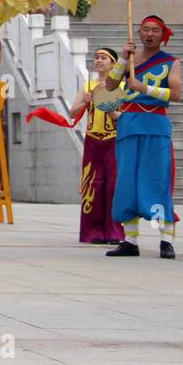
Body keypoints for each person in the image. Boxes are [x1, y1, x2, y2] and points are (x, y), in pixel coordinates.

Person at [102, 16, 180, 259]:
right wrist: (124, 57)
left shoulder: (171, 62)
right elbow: (110, 83)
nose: (150, 34)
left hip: (155, 124)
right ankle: (130, 241)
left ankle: (165, 240)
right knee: (126, 183)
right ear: (139, 32)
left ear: (162, 34)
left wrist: (143, 87)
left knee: (156, 182)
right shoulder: (131, 59)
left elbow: (175, 93)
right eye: (146, 29)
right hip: (128, 124)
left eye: (155, 30)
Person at [68, 47, 125, 245]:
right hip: (92, 140)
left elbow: (126, 116)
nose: (99, 61)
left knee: (114, 185)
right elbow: (72, 113)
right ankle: (93, 232)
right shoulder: (88, 85)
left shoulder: (121, 86)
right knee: (92, 185)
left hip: (114, 139)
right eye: (97, 57)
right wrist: (85, 101)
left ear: (113, 64)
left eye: (104, 58)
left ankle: (115, 232)